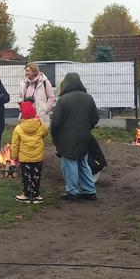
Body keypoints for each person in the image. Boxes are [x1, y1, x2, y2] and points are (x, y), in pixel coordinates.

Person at [51, 72, 100, 201]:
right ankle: (89, 190)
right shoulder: (88, 98)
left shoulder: (63, 99)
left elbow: (56, 122)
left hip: (67, 137)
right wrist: (86, 128)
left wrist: (55, 138)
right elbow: (95, 117)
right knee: (83, 162)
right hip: (84, 135)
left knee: (69, 162)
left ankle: (72, 191)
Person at [11, 101, 49, 204]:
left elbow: (15, 144)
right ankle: (36, 195)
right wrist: (39, 121)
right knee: (36, 175)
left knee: (26, 176)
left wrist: (14, 157)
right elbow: (46, 132)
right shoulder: (40, 126)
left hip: (25, 158)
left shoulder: (18, 129)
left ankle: (27, 195)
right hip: (38, 158)